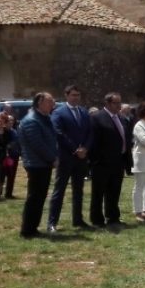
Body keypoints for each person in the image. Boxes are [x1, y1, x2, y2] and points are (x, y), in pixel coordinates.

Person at [49, 84, 93, 232]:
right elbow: (59, 133)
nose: (76, 98)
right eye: (73, 95)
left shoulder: (84, 112)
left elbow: (90, 132)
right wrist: (75, 149)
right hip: (66, 156)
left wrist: (85, 148)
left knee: (78, 190)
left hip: (81, 158)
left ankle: (78, 219)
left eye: (78, 95)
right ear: (66, 96)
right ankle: (52, 222)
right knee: (59, 190)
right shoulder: (59, 113)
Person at [19, 92, 58, 238]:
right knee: (35, 197)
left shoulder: (43, 118)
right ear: (39, 102)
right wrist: (52, 159)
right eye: (49, 101)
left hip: (42, 163)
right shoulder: (31, 120)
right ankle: (27, 229)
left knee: (40, 197)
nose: (52, 104)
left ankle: (33, 227)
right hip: (36, 164)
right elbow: (38, 145)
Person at [87, 92, 128, 227]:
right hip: (102, 163)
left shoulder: (121, 118)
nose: (119, 105)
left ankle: (113, 217)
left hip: (118, 162)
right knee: (98, 193)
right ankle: (97, 219)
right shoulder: (97, 118)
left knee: (114, 191)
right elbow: (93, 141)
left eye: (120, 103)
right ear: (108, 103)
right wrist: (95, 160)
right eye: (116, 103)